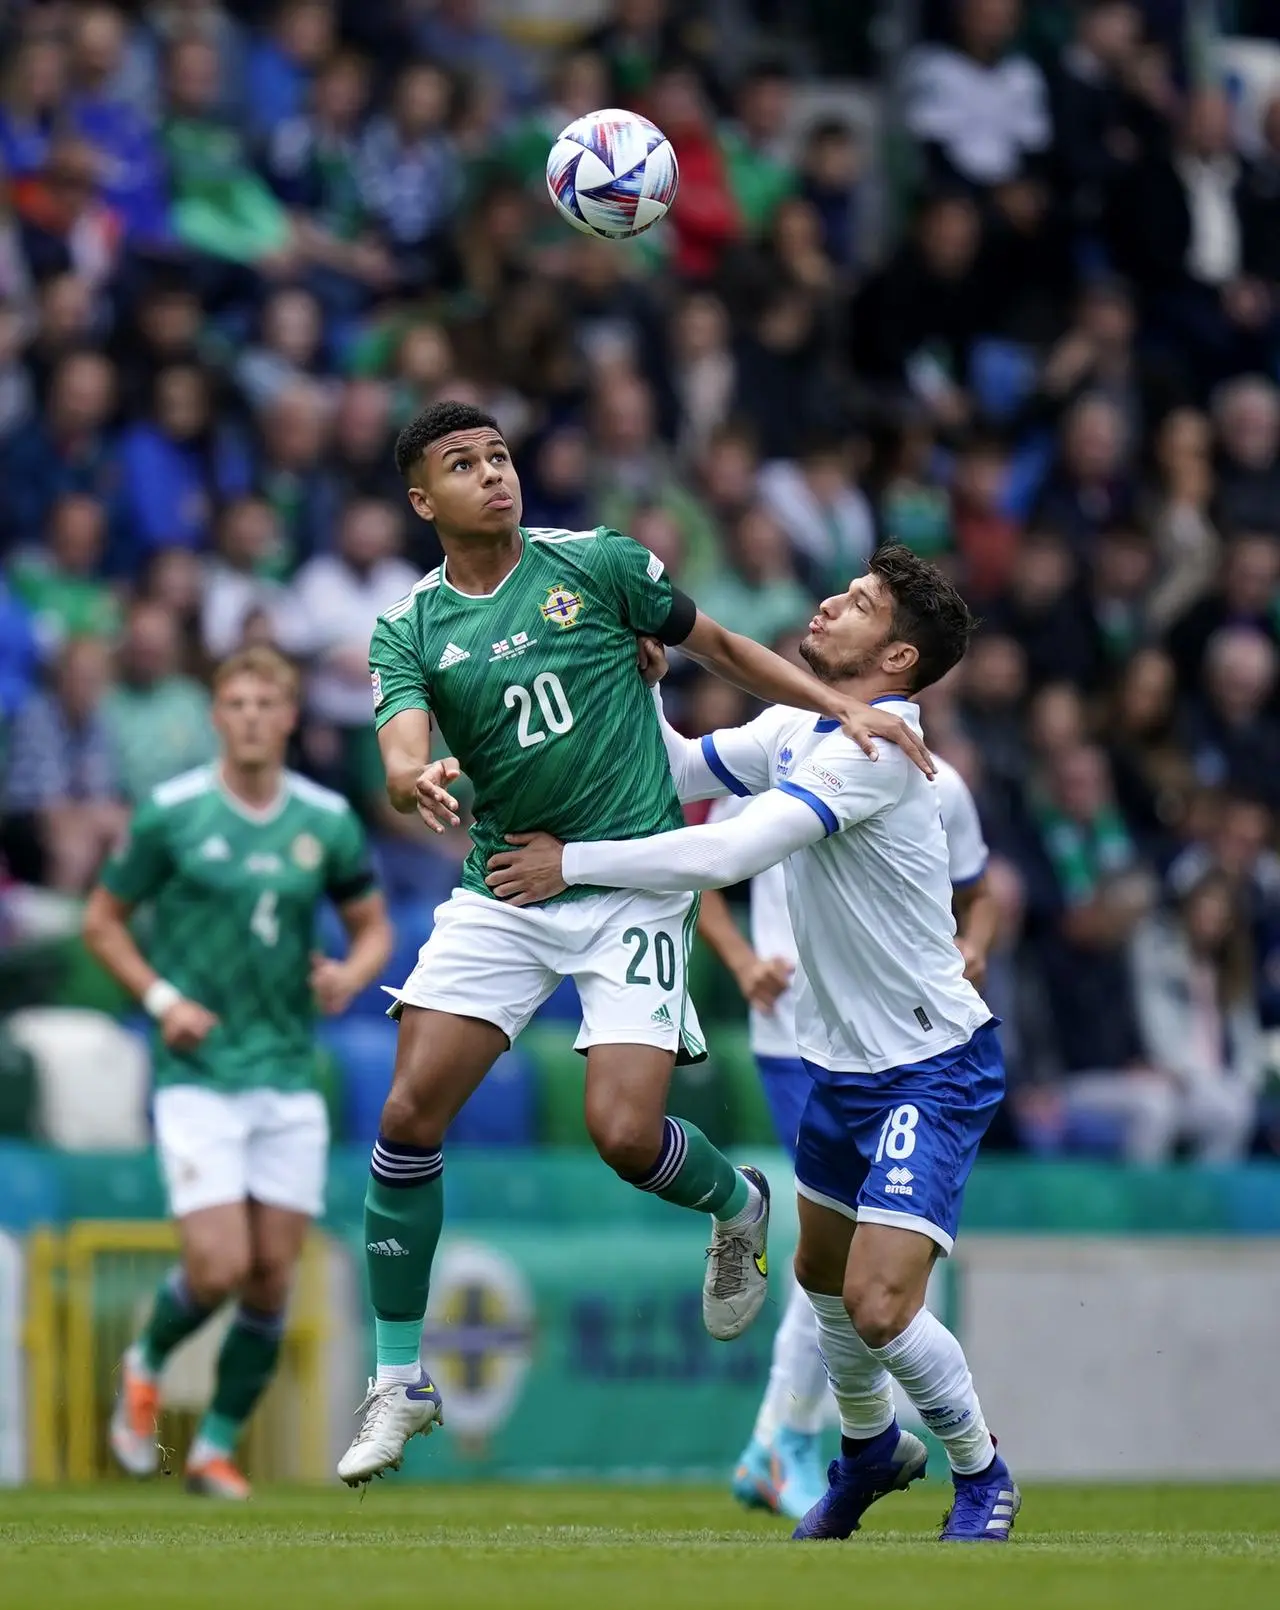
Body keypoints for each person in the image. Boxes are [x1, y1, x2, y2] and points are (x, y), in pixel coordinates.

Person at [336, 399, 933, 1486]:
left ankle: (736, 1203)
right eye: (463, 465)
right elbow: (400, 747)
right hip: (507, 881)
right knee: (407, 1111)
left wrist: (837, 708)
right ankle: (398, 1379)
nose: (493, 474)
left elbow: (722, 647)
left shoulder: (597, 562)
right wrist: (414, 777)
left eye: (500, 455)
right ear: (422, 501)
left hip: (628, 885)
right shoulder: (408, 627)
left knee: (621, 1133)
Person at [484, 547, 1017, 1541]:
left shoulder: (876, 751)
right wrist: (638, 684)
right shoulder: (796, 724)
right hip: (839, 1064)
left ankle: (981, 1471)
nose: (829, 602)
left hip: (930, 1065)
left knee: (878, 1302)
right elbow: (680, 770)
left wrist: (573, 863)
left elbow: (727, 849)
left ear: (898, 656)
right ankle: (866, 1451)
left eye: (859, 603)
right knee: (819, 1278)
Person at [82, 646, 392, 1499]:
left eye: (267, 704)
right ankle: (144, 1365)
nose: (252, 717)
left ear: (290, 717)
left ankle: (213, 1449)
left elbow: (371, 926)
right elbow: (102, 921)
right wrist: (162, 1000)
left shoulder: (326, 819)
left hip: (287, 1074)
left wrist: (350, 974)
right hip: (199, 1071)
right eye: (238, 703)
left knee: (270, 1278)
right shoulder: (171, 813)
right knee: (217, 1265)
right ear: (216, 716)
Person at [698, 748, 996, 1519]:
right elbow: (707, 873)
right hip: (799, 1040)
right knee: (834, 1253)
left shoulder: (942, 783)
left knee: (852, 1259)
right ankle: (795, 1440)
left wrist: (974, 947)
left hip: (900, 1045)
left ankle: (795, 1439)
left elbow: (980, 892)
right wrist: (743, 964)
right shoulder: (778, 750)